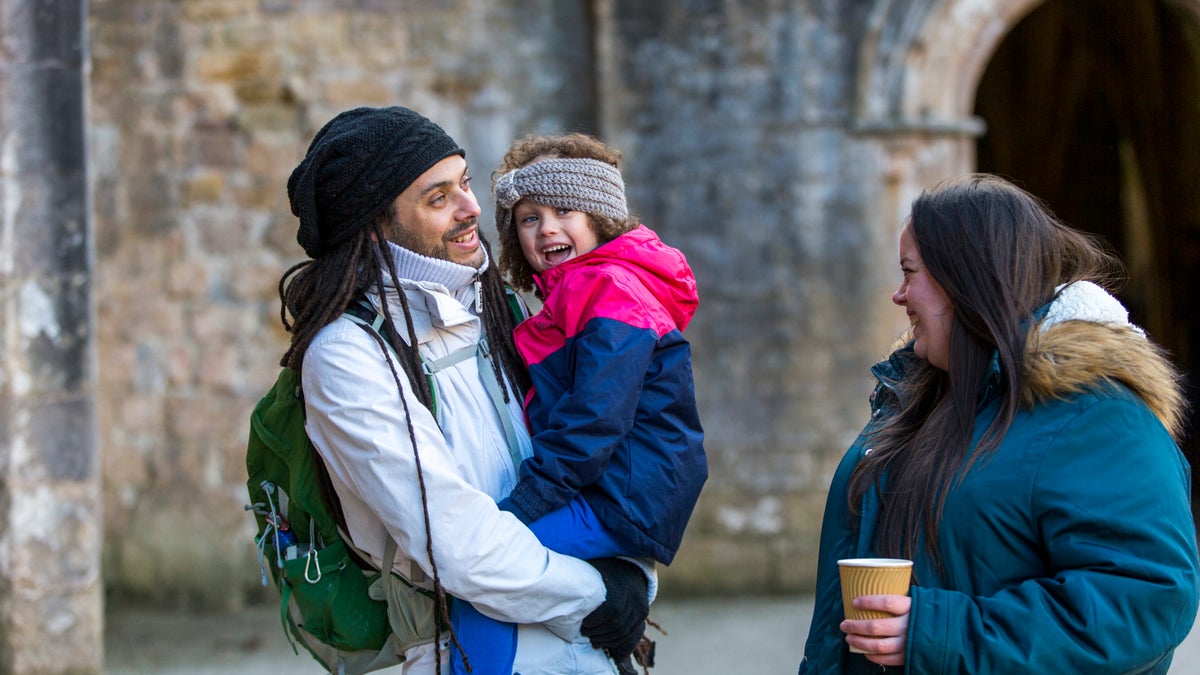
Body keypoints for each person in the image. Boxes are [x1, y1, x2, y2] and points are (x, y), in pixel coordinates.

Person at [279, 106, 651, 674]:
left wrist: (633, 571)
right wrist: (598, 594)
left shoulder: (498, 308)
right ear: (375, 226)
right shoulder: (346, 356)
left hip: (588, 647)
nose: (471, 207)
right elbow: (454, 542)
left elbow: (601, 452)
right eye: (438, 198)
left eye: (465, 183)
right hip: (470, 651)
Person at [800, 174, 1200, 674]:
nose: (899, 296)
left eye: (910, 272)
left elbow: (1145, 598)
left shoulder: (1098, 415)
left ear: (966, 278)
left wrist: (942, 634)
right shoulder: (921, 395)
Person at [447, 133, 709, 675]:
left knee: (485, 570)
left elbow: (594, 419)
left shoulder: (609, 289)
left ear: (601, 217)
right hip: (615, 489)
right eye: (529, 218)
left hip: (620, 495)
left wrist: (524, 505)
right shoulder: (575, 292)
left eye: (564, 210)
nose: (546, 228)